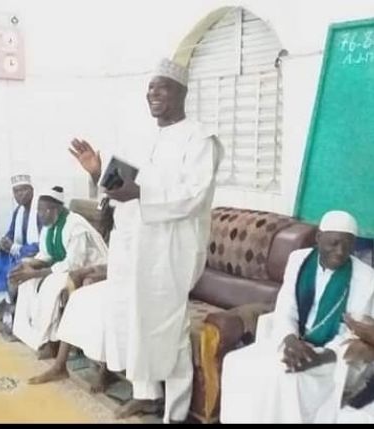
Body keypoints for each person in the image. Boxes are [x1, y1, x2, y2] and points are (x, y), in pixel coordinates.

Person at [28, 58, 223, 423]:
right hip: (132, 246)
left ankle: (176, 411)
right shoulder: (142, 137)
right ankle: (146, 395)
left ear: (182, 92)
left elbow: (194, 196)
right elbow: (118, 186)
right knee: (135, 323)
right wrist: (97, 173)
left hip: (170, 251)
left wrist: (141, 193)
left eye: (162, 87)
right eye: (150, 88)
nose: (153, 94)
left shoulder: (201, 139)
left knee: (169, 329)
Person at [220, 210, 374, 424]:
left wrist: (319, 358)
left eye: (347, 245)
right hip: (292, 341)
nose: (340, 252)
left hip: (332, 356)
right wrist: (290, 340)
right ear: (318, 238)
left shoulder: (365, 278)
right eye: (334, 243)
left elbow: (354, 334)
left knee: (285, 377)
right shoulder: (299, 260)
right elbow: (286, 308)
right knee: (236, 362)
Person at [10, 186, 108, 352]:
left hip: (89, 268)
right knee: (26, 282)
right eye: (38, 210)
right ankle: (27, 334)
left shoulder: (75, 227)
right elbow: (46, 254)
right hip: (65, 266)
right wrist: (28, 265)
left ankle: (50, 341)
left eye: (42, 210)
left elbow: (73, 264)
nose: (39, 215)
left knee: (51, 285)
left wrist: (35, 273)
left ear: (54, 210)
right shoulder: (49, 225)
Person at [0, 174, 40, 307]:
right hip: (16, 254)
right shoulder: (19, 211)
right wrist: (4, 242)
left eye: (23, 190)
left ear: (32, 190)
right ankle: (4, 305)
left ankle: (13, 307)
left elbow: (42, 245)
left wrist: (14, 248)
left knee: (9, 272)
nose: (20, 194)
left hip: (35, 256)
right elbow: (11, 233)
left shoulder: (41, 211)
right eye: (16, 191)